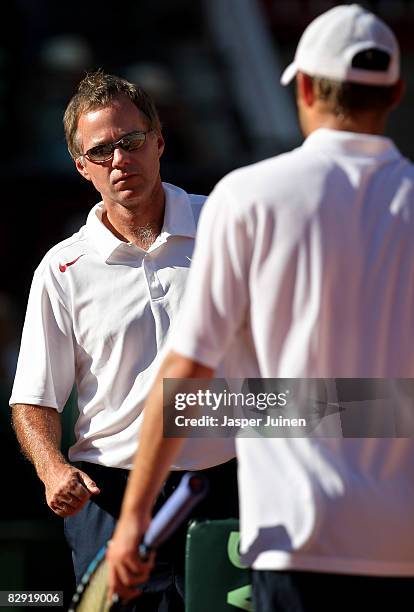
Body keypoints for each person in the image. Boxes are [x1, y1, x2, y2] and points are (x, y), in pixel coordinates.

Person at [106, 5, 414, 610]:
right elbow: (370, 401)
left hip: (296, 536)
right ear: (397, 93)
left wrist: (133, 521)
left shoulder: (248, 197)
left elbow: (186, 376)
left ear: (302, 87)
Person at [10, 70, 237, 611]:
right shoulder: (62, 268)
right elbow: (32, 399)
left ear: (159, 142)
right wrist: (52, 468)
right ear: (81, 168)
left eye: (131, 141)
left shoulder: (229, 226)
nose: (120, 159)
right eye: (102, 150)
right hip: (109, 503)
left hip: (229, 489)